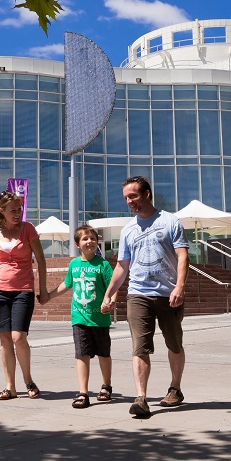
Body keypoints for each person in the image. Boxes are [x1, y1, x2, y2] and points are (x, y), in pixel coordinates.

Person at [101, 175, 189, 419]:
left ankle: (175, 388)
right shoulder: (128, 229)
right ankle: (141, 398)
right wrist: (109, 294)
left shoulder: (170, 221)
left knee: (174, 343)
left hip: (168, 293)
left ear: (147, 194)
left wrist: (179, 287)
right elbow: (122, 266)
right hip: (138, 293)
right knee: (140, 346)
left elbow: (183, 257)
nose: (130, 202)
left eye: (134, 196)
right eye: (127, 198)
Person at [0, 190, 48, 400]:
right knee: (5, 339)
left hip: (23, 289)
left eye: (20, 209)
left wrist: (42, 289)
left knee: (19, 337)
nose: (18, 213)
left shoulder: (28, 229)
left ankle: (28, 380)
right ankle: (10, 386)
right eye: (13, 210)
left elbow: (41, 260)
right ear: (2, 211)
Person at [47, 224, 113, 409]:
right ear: (77, 244)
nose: (89, 241)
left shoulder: (103, 265)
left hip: (100, 318)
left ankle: (106, 386)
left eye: (92, 238)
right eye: (85, 239)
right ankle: (83, 392)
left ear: (97, 242)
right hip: (79, 317)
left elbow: (112, 287)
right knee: (81, 355)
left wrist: (110, 302)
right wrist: (49, 296)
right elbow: (66, 284)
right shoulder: (74, 264)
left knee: (103, 354)